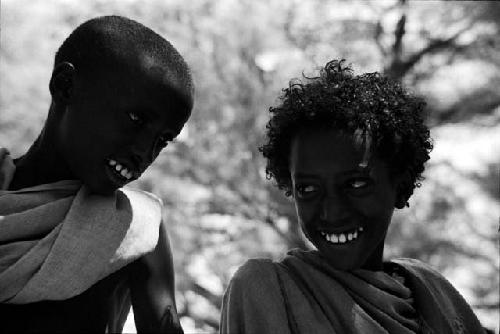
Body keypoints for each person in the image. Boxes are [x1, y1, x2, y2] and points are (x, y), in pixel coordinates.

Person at [220, 60, 486, 333]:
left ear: (401, 184)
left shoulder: (437, 297)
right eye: (308, 189)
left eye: (356, 184)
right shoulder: (266, 290)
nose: (332, 212)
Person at [0, 15, 193, 333]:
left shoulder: (136, 231)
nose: (144, 153)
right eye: (136, 118)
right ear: (66, 86)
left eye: (161, 141)